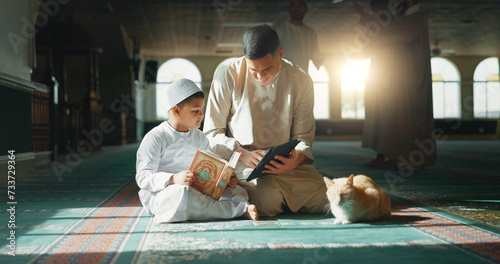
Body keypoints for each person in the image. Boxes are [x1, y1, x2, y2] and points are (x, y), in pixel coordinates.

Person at [203, 24, 328, 217]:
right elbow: (211, 132)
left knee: (326, 200)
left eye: (267, 68)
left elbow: (303, 137)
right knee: (268, 202)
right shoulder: (227, 73)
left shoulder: (301, 79)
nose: (261, 76)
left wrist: (296, 160)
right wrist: (242, 153)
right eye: (254, 70)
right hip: (244, 160)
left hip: (286, 162)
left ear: (281, 53)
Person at [135, 78, 258, 223]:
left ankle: (227, 209)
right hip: (165, 193)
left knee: (237, 190)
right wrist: (173, 179)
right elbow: (143, 177)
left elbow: (210, 165)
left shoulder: (200, 137)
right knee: (183, 195)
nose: (201, 115)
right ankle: (237, 210)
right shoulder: (155, 137)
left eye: (202, 110)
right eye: (195, 111)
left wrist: (224, 179)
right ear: (176, 110)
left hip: (198, 190)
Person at [360, 0, 436, 170]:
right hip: (396, 80)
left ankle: (407, 159)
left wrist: (371, 31)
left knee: (403, 121)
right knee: (388, 121)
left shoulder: (415, 19)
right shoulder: (407, 19)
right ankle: (393, 158)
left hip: (407, 81)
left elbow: (402, 37)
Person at [274, 0, 323, 72]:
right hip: (283, 77)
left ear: (306, 9)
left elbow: (317, 59)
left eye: (300, 5)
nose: (297, 8)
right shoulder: (279, 31)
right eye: (293, 5)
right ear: (289, 9)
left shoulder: (310, 34)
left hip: (302, 78)